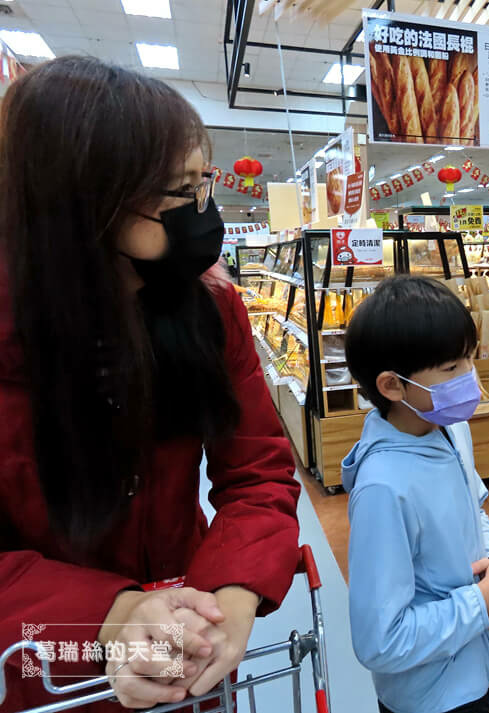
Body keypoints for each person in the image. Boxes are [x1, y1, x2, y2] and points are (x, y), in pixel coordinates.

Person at [0, 57, 301, 711]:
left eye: (204, 184)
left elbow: (258, 472)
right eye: (180, 191)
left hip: (184, 661)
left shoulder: (207, 308)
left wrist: (232, 591)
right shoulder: (13, 345)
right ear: (86, 202)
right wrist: (109, 616)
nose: (204, 211)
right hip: (45, 675)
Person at [342, 276, 489, 713]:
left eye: (469, 358)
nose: (470, 378)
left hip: (470, 668)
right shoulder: (382, 490)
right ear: (392, 386)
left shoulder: (448, 427)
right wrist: (484, 601)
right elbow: (380, 640)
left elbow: (471, 503)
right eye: (451, 369)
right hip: (428, 697)